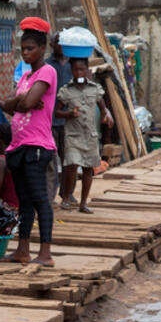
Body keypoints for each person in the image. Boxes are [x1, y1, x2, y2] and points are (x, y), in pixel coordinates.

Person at [2, 17, 58, 267]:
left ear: (42, 49)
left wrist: (23, 101)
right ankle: (22, 249)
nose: (25, 53)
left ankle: (45, 253)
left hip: (38, 145)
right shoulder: (26, 77)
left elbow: (21, 104)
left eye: (30, 48)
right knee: (23, 200)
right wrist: (23, 100)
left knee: (40, 199)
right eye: (23, 49)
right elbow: (8, 104)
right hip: (19, 146)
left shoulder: (47, 71)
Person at [56, 58, 113, 212]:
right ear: (71, 71)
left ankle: (83, 203)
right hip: (73, 136)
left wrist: (106, 115)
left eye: (82, 70)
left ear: (87, 70)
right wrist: (69, 113)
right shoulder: (66, 90)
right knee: (72, 165)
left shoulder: (95, 89)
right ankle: (66, 197)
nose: (79, 73)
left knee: (88, 169)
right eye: (75, 70)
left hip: (90, 135)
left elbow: (103, 107)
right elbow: (57, 111)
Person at [47, 37, 72, 204]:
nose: (61, 45)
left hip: (69, 119)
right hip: (50, 118)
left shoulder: (73, 64)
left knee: (68, 158)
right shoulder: (47, 65)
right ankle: (50, 195)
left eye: (64, 42)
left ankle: (67, 193)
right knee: (51, 159)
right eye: (58, 42)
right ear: (52, 45)